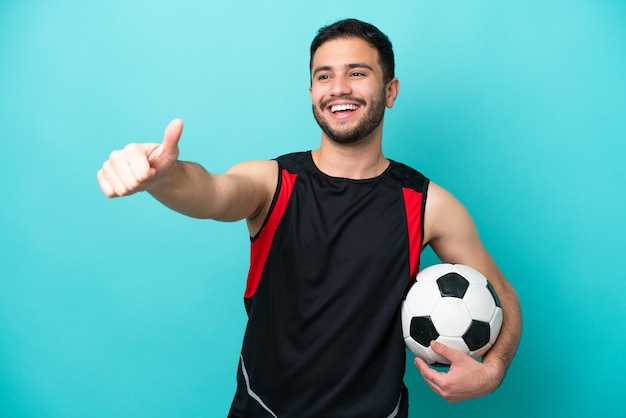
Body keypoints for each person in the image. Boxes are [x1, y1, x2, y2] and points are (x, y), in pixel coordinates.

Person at [97, 18, 522, 418]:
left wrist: (493, 370)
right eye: (324, 75)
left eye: (357, 73)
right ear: (311, 91)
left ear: (390, 91)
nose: (339, 88)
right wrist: (165, 176)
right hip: (263, 409)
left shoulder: (427, 204)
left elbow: (503, 295)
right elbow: (212, 192)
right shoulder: (273, 182)